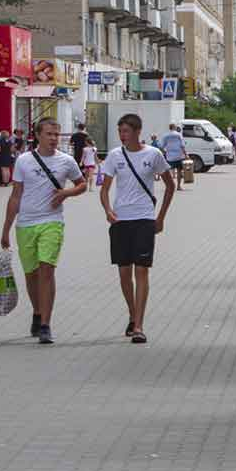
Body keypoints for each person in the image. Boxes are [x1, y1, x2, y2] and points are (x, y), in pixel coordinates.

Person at [0, 118, 86, 344]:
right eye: (48, 134)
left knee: (46, 270)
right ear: (37, 135)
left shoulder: (66, 161)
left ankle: (46, 324)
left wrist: (66, 194)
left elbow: (82, 184)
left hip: (52, 222)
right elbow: (16, 195)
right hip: (25, 224)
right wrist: (5, 230)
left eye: (56, 134)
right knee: (31, 274)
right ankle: (37, 312)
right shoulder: (24, 161)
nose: (53, 139)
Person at [100, 114, 175, 344]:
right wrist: (108, 210)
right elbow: (104, 189)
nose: (123, 135)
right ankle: (132, 314)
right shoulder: (114, 156)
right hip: (121, 220)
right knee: (124, 273)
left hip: (144, 218)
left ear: (138, 131)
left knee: (141, 271)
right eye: (120, 131)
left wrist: (160, 217)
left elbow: (170, 185)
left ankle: (140, 325)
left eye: (127, 131)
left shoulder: (153, 154)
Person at [160, 123, 187, 191]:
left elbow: (161, 146)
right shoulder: (179, 135)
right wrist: (186, 154)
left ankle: (169, 186)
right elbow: (182, 145)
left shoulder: (165, 135)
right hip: (179, 156)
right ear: (174, 127)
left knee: (169, 171)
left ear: (169, 128)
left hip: (170, 157)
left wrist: (165, 152)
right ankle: (178, 186)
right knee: (179, 171)